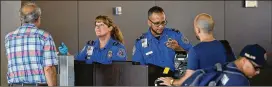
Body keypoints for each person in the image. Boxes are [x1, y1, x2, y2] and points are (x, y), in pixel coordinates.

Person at [159, 13, 228, 86]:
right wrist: (179, 49)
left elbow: (187, 80)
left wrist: (172, 82)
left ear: (198, 30)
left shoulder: (195, 50)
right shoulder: (222, 46)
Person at [132, 6, 193, 85]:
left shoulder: (175, 35)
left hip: (174, 81)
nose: (161, 26)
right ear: (149, 22)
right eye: (157, 23)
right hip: (152, 82)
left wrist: (178, 49)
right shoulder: (140, 43)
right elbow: (138, 70)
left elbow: (193, 56)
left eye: (163, 22)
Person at [4, 2, 58, 86]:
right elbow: (48, 69)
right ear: (38, 18)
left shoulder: (9, 37)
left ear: (21, 19)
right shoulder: (44, 37)